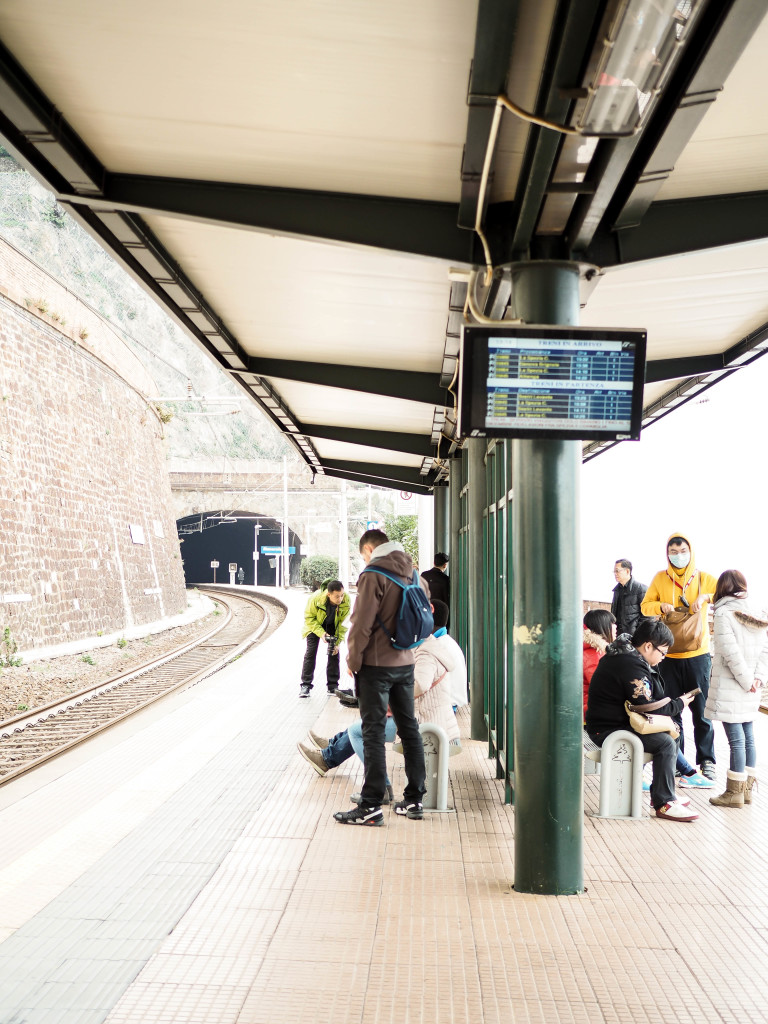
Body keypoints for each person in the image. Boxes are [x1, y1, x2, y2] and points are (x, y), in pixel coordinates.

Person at [296, 600, 461, 808]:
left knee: (361, 730)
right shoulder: (425, 644)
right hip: (422, 716)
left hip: (426, 722)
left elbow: (420, 684)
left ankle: (378, 786)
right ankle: (331, 754)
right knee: (369, 720)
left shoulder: (426, 650)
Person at [332, 529, 427, 826]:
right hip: (406, 663)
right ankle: (414, 800)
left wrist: (353, 660)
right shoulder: (415, 574)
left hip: (376, 665)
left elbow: (361, 624)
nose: (364, 561)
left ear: (370, 550)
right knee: (409, 728)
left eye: (363, 556)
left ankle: (371, 805)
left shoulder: (373, 575)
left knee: (371, 731)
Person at [585, 619, 699, 822]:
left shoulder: (627, 654)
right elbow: (648, 705)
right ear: (648, 646)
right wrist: (679, 704)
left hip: (611, 724)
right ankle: (663, 803)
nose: (663, 658)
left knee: (669, 737)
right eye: (662, 653)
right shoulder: (630, 664)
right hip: (606, 730)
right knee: (664, 742)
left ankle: (663, 795)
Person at [641, 533, 718, 780]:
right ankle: (678, 760)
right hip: (669, 656)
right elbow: (645, 606)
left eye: (682, 550)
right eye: (673, 551)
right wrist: (660, 606)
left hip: (698, 655)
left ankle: (707, 761)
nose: (678, 555)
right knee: (673, 711)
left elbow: (724, 594)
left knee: (702, 711)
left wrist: (705, 597)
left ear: (690, 551)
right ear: (667, 554)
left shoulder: (704, 578)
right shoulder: (660, 579)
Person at [705, 570, 768, 808]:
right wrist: (758, 680)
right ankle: (747, 791)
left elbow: (730, 653)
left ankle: (734, 793)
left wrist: (746, 681)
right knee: (748, 737)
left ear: (721, 588)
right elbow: (765, 650)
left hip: (734, 685)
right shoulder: (757, 611)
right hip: (752, 687)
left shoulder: (723, 613)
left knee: (736, 740)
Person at [299, 580, 350, 697]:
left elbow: (344, 624)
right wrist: (321, 633)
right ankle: (305, 685)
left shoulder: (346, 599)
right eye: (337, 597)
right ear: (329, 594)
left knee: (334, 651)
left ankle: (333, 686)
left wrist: (337, 642)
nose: (340, 599)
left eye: (342, 595)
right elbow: (309, 618)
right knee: (311, 652)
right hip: (315, 625)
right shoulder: (315, 598)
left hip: (333, 625)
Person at [582, 609, 615, 718]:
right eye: (612, 623)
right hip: (591, 710)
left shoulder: (595, 650)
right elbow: (603, 689)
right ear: (602, 627)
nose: (615, 627)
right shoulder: (594, 654)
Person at [610, 559, 648, 637]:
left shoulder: (641, 589)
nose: (615, 574)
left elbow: (648, 617)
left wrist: (637, 634)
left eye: (617, 571)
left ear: (627, 571)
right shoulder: (617, 590)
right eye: (614, 571)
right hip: (618, 636)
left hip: (634, 637)